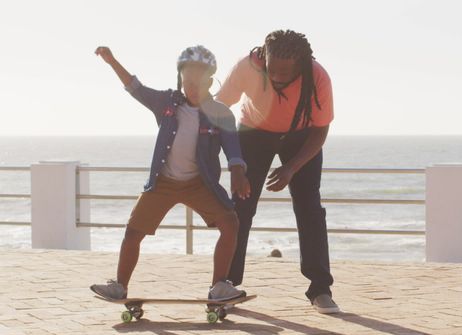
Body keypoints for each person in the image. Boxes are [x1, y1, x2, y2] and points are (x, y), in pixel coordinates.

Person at [90, 45, 250, 301]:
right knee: (133, 232)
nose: (192, 88)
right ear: (180, 80)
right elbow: (135, 88)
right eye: (187, 82)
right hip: (163, 182)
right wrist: (112, 61)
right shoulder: (166, 103)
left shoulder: (220, 113)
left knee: (231, 224)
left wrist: (238, 172)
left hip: (200, 184)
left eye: (198, 82)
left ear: (209, 80)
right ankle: (119, 285)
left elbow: (233, 148)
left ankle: (219, 286)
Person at [215, 30, 339, 313]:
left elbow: (321, 129)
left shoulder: (317, 77)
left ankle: (320, 289)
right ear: (264, 59)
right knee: (240, 208)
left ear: (300, 64)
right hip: (253, 133)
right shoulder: (247, 67)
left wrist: (291, 168)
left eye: (286, 72)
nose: (278, 77)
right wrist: (233, 162)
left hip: (302, 135)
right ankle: (227, 285)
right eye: (273, 69)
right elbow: (220, 107)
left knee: (310, 209)